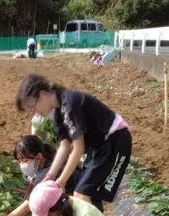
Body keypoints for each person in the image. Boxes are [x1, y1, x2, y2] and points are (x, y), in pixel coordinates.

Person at [16, 73, 131, 207]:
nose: (34, 113)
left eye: (32, 107)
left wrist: (62, 180)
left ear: (42, 95)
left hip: (114, 142)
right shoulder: (59, 111)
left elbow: (78, 149)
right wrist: (51, 175)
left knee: (81, 194)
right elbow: (64, 147)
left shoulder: (68, 105)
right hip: (98, 147)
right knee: (85, 193)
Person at [7, 135, 81, 216]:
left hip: (74, 210)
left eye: (25, 160)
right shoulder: (50, 160)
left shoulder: (45, 176)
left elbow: (25, 208)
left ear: (39, 156)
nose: (22, 165)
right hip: (69, 203)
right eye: (20, 161)